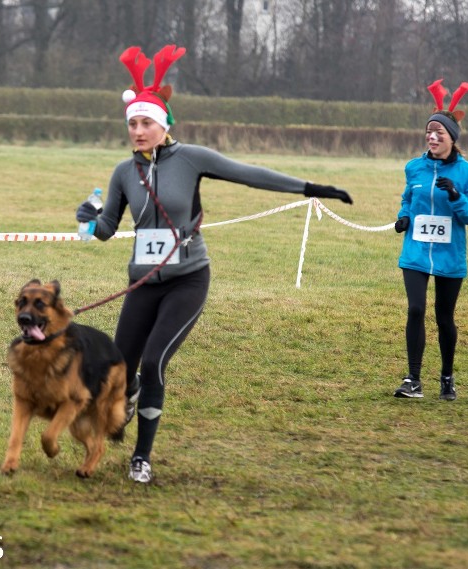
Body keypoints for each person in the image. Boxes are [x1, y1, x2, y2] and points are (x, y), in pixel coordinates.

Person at [75, 45, 353, 484]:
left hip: (187, 281)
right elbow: (108, 227)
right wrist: (88, 220)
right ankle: (124, 401)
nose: (138, 130)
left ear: (164, 126)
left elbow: (249, 173)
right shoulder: (123, 172)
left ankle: (141, 457)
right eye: (132, 123)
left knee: (154, 361)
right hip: (142, 282)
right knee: (120, 368)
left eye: (146, 122)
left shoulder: (192, 159)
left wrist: (311, 187)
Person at [392, 78, 468, 401]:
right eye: (429, 132)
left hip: (449, 255)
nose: (432, 137)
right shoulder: (414, 168)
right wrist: (404, 215)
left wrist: (457, 196)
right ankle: (413, 379)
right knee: (416, 309)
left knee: (444, 317)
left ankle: (447, 376)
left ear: (451, 139)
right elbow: (408, 197)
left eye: (439, 133)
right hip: (416, 250)